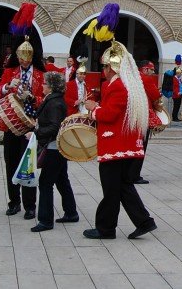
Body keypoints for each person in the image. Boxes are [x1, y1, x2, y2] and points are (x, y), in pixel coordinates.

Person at [83, 41, 157, 240]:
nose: (103, 71)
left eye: (105, 66)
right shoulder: (125, 84)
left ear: (112, 67)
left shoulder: (117, 86)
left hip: (115, 145)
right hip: (123, 144)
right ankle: (144, 221)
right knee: (123, 186)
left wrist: (93, 108)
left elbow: (109, 115)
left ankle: (106, 228)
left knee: (111, 189)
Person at [0, 39, 45, 219]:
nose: (24, 62)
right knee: (11, 163)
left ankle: (30, 205)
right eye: (21, 58)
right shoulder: (9, 72)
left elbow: (44, 100)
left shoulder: (40, 74)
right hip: (11, 124)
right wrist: (8, 86)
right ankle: (14, 202)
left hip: (30, 125)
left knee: (29, 165)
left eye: (27, 58)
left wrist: (31, 98)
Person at [28, 72, 78, 232]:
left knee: (45, 183)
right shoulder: (53, 100)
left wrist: (35, 133)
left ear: (50, 86)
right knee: (62, 180)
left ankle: (45, 220)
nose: (42, 85)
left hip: (53, 148)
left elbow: (54, 127)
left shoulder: (54, 103)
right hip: (56, 147)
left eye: (44, 83)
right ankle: (71, 213)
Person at [137, 61, 163, 184]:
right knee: (141, 145)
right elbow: (156, 95)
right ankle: (135, 174)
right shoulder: (146, 79)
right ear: (145, 69)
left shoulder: (132, 77)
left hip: (133, 116)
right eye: (151, 70)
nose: (153, 73)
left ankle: (129, 173)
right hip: (143, 116)